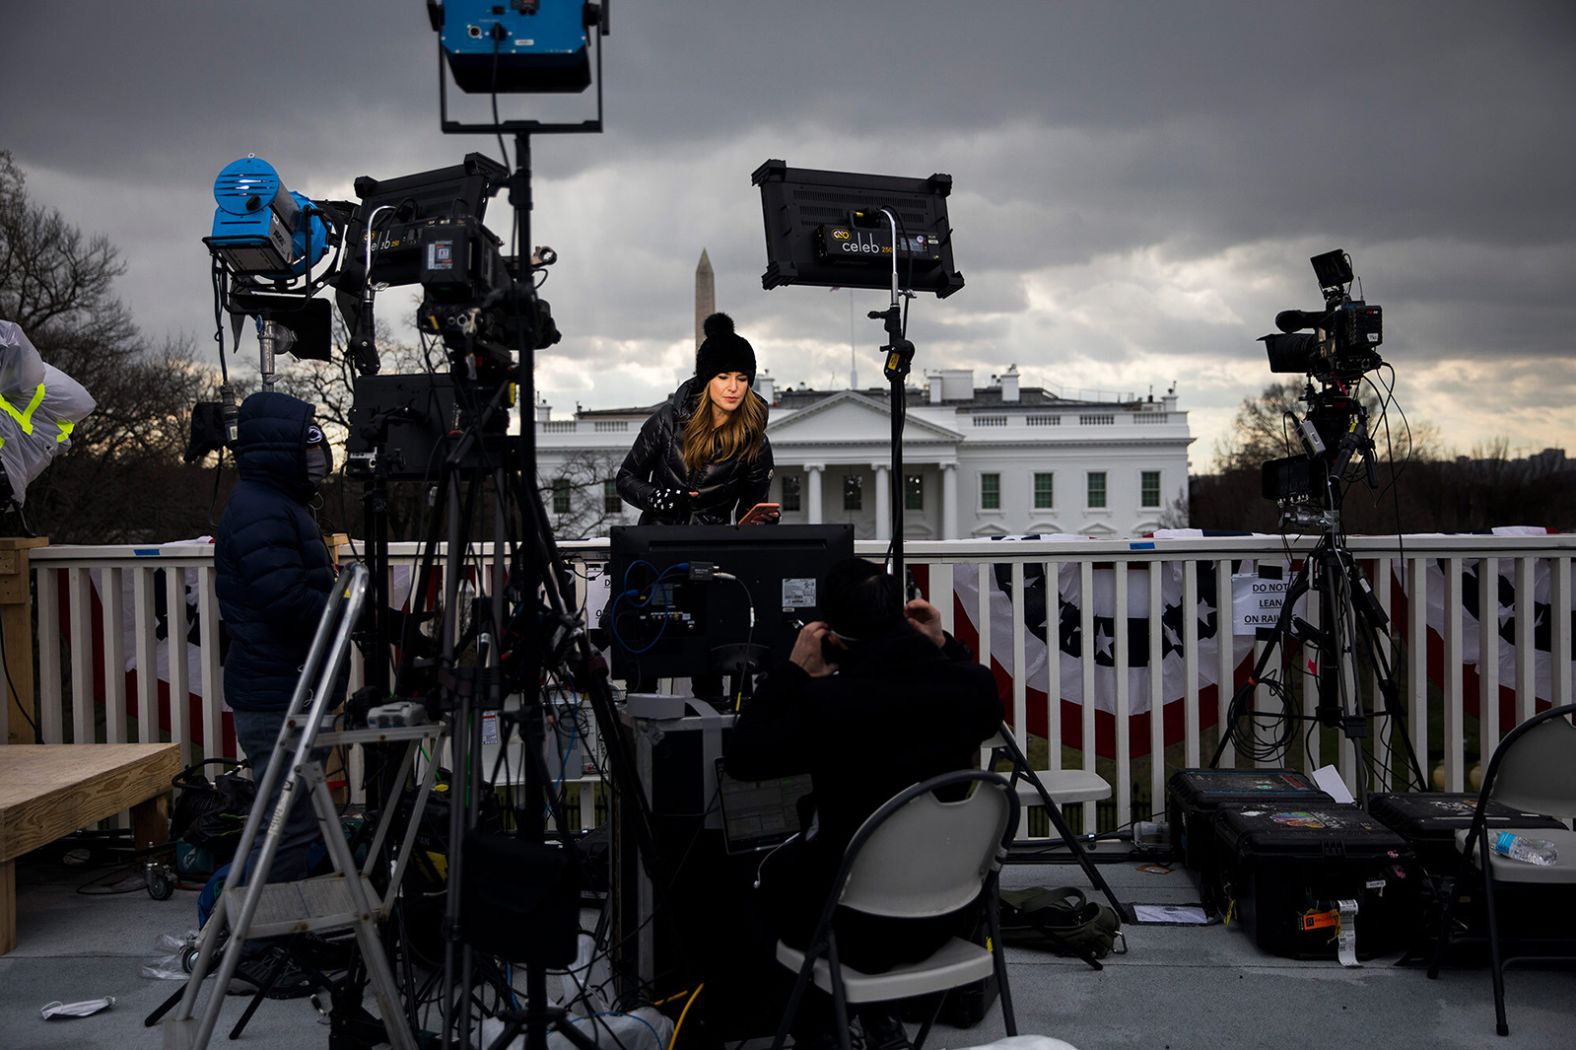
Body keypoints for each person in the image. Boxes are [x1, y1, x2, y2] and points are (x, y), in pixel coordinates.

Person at [727, 557, 1003, 1050]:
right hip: (949, 915)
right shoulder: (972, 687)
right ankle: (877, 1018)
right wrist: (942, 645)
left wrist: (793, 671)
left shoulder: (830, 704)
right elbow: (975, 693)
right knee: (834, 870)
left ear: (832, 633)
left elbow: (745, 756)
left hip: (855, 929)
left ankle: (820, 1026)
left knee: (766, 880)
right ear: (903, 614)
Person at [214, 391, 338, 994]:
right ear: (277, 447)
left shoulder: (275, 503)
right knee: (285, 826)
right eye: (306, 440)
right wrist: (350, 614)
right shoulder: (262, 508)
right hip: (274, 692)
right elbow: (286, 600)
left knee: (294, 820)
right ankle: (255, 955)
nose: (317, 452)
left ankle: (285, 934)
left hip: (282, 687)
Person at [615, 311, 777, 526]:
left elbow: (748, 514)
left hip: (712, 545)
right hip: (657, 542)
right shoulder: (666, 421)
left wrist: (761, 521)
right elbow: (626, 479)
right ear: (706, 380)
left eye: (742, 378)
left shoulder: (756, 443)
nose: (733, 387)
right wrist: (658, 499)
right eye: (723, 377)